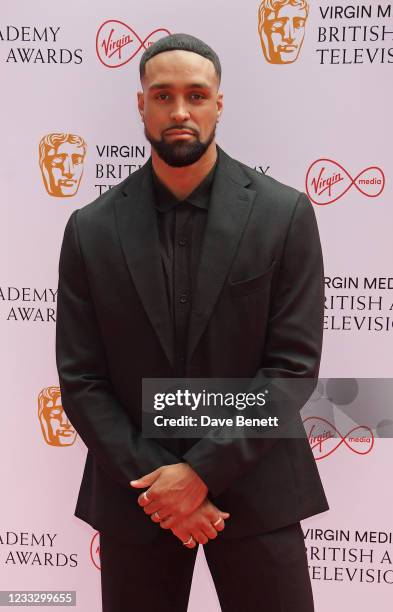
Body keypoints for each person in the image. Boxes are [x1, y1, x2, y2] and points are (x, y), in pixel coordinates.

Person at [56, 33, 328, 612]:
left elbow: (291, 369)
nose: (180, 111)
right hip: (139, 497)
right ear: (141, 104)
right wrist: (164, 482)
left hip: (258, 490)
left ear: (219, 103)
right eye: (163, 95)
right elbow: (81, 380)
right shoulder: (91, 228)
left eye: (196, 95)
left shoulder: (284, 215)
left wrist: (200, 472)